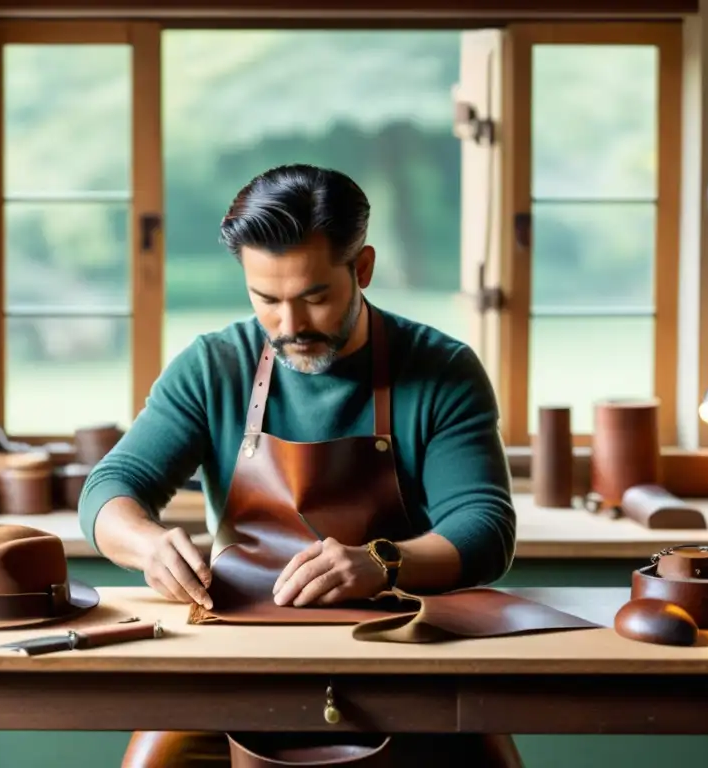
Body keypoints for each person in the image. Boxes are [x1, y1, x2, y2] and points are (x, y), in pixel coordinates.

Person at [78, 164, 521, 768]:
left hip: (408, 658)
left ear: (361, 269)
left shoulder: (441, 370)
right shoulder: (215, 366)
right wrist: (147, 544)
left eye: (314, 298)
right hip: (235, 664)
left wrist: (382, 562)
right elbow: (109, 488)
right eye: (267, 300)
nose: (289, 328)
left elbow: (486, 528)